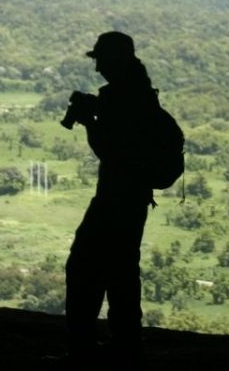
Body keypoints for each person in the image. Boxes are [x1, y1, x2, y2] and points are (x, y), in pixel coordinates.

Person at [61, 31, 159, 362]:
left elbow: (112, 151)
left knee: (83, 268)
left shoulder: (124, 96)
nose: (97, 67)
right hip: (132, 198)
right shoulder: (137, 90)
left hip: (116, 199)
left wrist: (90, 122)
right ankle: (126, 346)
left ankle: (83, 351)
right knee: (121, 271)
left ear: (114, 60)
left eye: (101, 59)